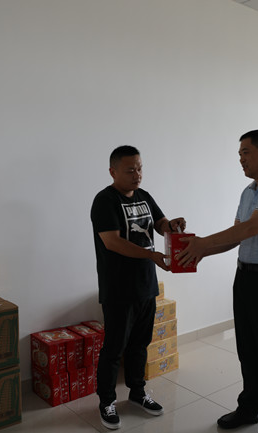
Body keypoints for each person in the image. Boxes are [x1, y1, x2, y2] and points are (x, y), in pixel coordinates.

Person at [177, 130, 258, 433]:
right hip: (245, 277)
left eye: (246, 152)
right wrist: (201, 252)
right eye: (239, 154)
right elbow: (237, 237)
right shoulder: (248, 192)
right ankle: (248, 409)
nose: (241, 159)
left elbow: (251, 228)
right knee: (248, 350)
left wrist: (203, 242)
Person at [90, 145, 186, 430]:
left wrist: (171, 226)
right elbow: (112, 242)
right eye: (130, 170)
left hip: (146, 285)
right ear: (113, 171)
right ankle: (106, 402)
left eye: (140, 168)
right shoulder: (104, 200)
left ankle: (137, 393)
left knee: (140, 345)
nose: (137, 175)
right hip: (118, 289)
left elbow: (159, 222)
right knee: (114, 348)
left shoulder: (144, 196)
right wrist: (150, 255)